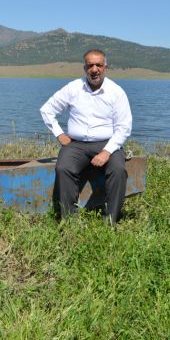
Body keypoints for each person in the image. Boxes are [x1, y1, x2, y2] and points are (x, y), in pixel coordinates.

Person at [40, 49, 132, 225]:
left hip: (107, 143)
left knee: (118, 170)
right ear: (84, 68)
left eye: (98, 65)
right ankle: (69, 221)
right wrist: (60, 134)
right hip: (77, 145)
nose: (94, 69)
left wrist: (106, 152)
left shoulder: (116, 92)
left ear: (105, 67)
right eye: (90, 65)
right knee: (63, 168)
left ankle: (111, 221)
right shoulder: (73, 88)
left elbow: (124, 127)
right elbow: (47, 110)